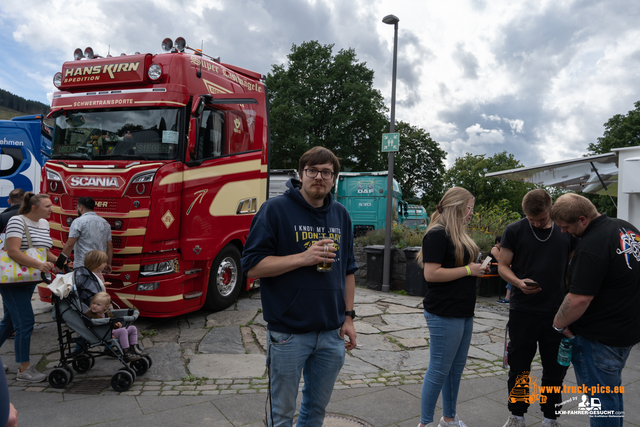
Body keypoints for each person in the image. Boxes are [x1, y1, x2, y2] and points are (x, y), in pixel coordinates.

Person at [240, 146, 358, 427]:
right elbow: (252, 266)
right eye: (312, 171)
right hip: (288, 333)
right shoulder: (275, 210)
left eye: (326, 172)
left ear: (334, 178)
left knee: (315, 411)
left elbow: (348, 271)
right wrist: (303, 258)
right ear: (301, 174)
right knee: (281, 414)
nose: (319, 176)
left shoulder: (341, 214)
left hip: (330, 333)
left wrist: (349, 317)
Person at [551, 193, 640, 427]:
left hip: (599, 339)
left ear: (582, 219)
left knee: (602, 404)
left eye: (565, 226)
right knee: (611, 397)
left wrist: (558, 324)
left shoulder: (591, 245)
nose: (562, 231)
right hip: (625, 331)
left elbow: (579, 299)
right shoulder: (627, 229)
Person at [498, 189, 577, 427]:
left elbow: (571, 270)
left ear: (551, 209)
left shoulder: (566, 233)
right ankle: (517, 416)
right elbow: (503, 266)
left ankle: (550, 418)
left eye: (541, 219)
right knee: (519, 367)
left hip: (557, 312)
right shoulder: (514, 230)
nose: (535, 223)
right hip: (523, 311)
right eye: (531, 219)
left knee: (555, 370)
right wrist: (518, 282)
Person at [417, 187, 489, 427]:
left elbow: (458, 267)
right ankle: (425, 423)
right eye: (469, 208)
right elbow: (432, 274)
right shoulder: (437, 234)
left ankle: (449, 419)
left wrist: (476, 268)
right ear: (458, 207)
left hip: (463, 310)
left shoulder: (458, 234)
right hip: (444, 311)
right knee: (438, 371)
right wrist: (470, 270)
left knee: (454, 370)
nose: (471, 213)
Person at [0, 193, 58, 382]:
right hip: (11, 280)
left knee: (9, 321)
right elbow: (13, 250)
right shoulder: (17, 221)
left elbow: (43, 251)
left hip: (28, 278)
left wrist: (64, 262)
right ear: (34, 207)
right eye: (47, 206)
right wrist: (39, 265)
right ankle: (24, 369)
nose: (51, 209)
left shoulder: (44, 224)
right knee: (25, 322)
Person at [84, 292, 146, 361]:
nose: (94, 306)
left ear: (106, 307)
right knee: (123, 331)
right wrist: (108, 334)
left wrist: (116, 324)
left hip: (111, 331)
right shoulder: (89, 315)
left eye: (98, 304)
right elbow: (91, 328)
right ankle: (126, 352)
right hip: (103, 335)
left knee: (133, 328)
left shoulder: (107, 313)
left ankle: (134, 347)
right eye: (93, 303)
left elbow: (112, 323)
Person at [60, 196, 113, 272]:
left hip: (82, 267)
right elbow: (110, 245)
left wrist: (60, 263)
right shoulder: (105, 223)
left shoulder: (78, 222)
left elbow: (69, 245)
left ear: (81, 208)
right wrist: (108, 264)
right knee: (96, 283)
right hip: (99, 266)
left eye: (77, 207)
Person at [492, 236, 512, 304]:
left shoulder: (502, 249)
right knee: (511, 273)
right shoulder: (495, 249)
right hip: (493, 268)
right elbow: (499, 260)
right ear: (497, 242)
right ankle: (507, 297)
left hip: (499, 267)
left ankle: (508, 296)